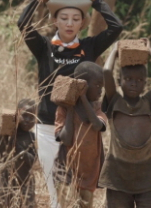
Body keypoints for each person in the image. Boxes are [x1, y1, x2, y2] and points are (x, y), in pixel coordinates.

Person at [17, 0, 122, 207]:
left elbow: (116, 28)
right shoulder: (44, 47)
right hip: (47, 126)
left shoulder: (89, 46)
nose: (69, 23)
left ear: (83, 23)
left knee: (83, 191)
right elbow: (22, 23)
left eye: (76, 19)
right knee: (57, 194)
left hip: (83, 128)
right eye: (64, 18)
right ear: (55, 20)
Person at [98, 39, 151, 208]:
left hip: (146, 174)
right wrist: (115, 50)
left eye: (139, 80)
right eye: (128, 79)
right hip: (117, 175)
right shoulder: (114, 101)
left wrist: (149, 50)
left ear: (145, 83)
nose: (133, 83)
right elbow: (107, 72)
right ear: (120, 81)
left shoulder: (149, 103)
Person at [54, 61, 107, 208]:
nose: (101, 90)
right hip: (66, 171)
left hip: (88, 172)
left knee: (85, 203)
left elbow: (97, 125)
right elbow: (65, 138)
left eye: (102, 86)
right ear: (83, 85)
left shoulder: (98, 107)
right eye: (97, 85)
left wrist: (83, 98)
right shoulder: (63, 109)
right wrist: (71, 106)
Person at [0, 99, 38, 208]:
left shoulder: (32, 137)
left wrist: (18, 148)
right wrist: (4, 137)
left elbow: (32, 161)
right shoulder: (7, 135)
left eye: (32, 117)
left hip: (25, 183)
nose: (28, 120)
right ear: (17, 114)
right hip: (6, 181)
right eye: (25, 116)